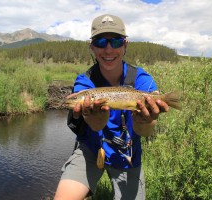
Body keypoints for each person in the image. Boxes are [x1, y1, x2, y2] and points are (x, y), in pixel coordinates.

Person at [54, 14, 169, 200]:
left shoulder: (141, 79)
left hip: (127, 154)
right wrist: (96, 120)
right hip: (91, 148)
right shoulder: (85, 81)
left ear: (125, 45)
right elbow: (96, 126)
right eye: (100, 41)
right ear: (91, 46)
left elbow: (145, 131)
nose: (108, 49)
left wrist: (146, 121)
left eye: (116, 41)